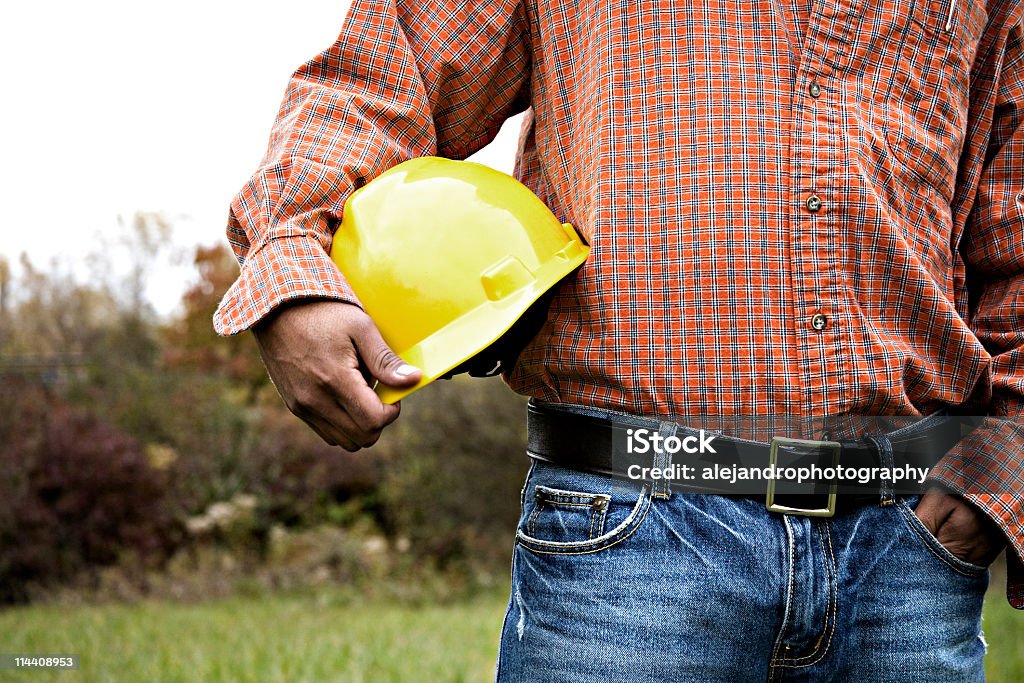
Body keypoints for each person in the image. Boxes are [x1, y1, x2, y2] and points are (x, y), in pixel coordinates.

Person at [215, 0, 1023, 679]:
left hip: (908, 551)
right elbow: (382, 71)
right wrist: (291, 261)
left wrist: (1005, 461)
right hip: (628, 535)